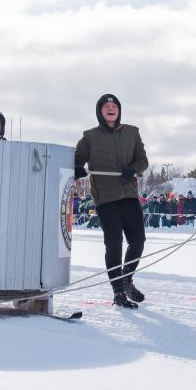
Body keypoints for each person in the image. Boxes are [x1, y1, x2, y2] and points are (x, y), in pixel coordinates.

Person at [74, 93, 149, 309]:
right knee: (113, 245)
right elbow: (77, 160)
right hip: (105, 198)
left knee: (138, 240)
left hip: (128, 194)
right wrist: (78, 167)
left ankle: (127, 279)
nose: (110, 108)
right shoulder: (89, 136)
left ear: (119, 110)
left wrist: (133, 169)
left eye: (114, 105)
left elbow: (142, 160)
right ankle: (118, 292)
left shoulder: (132, 132)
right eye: (106, 105)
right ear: (100, 111)